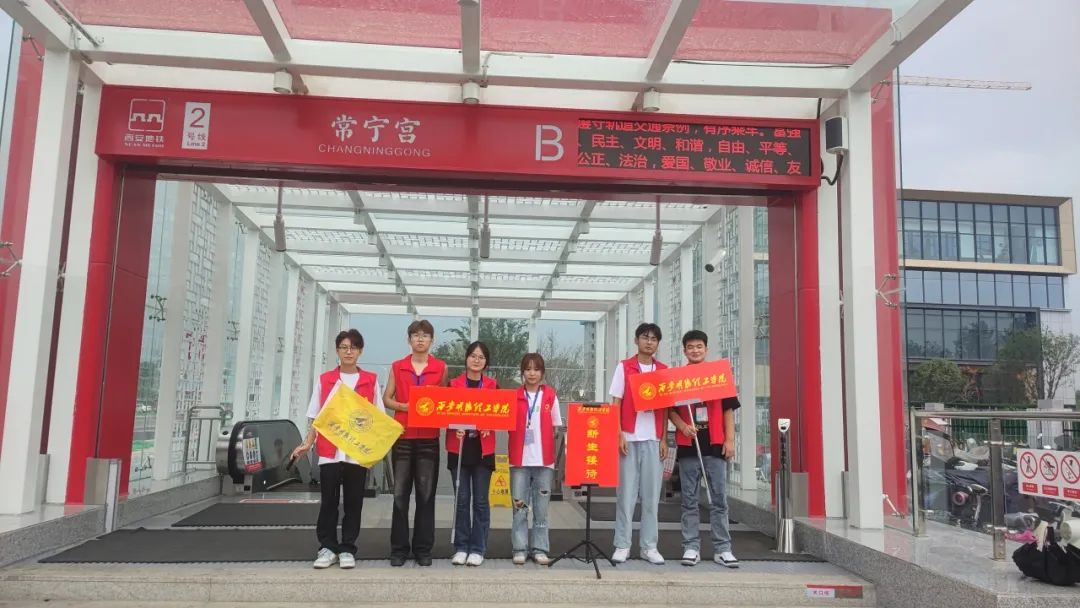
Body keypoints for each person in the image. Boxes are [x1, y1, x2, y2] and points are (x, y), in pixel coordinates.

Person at [291, 329, 381, 570]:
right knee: (328, 502)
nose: (348, 351)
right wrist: (307, 443)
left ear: (360, 351)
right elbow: (316, 417)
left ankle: (348, 548)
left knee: (354, 502)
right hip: (330, 451)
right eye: (344, 347)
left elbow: (377, 418)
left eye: (353, 347)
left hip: (356, 453)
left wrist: (374, 451)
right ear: (337, 351)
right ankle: (327, 547)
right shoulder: (325, 379)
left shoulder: (370, 380)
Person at [668, 330, 740, 568]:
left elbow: (728, 410)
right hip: (689, 446)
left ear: (706, 349)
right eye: (690, 347)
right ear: (684, 351)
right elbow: (670, 410)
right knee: (689, 499)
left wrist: (730, 440)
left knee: (719, 499)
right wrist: (682, 426)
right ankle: (691, 547)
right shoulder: (678, 378)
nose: (695, 350)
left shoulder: (719, 375)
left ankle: (723, 549)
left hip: (716, 445)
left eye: (699, 346)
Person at [382, 319, 448, 567]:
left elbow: (444, 400)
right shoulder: (397, 367)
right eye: (416, 335)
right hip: (402, 437)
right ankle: (399, 549)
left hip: (429, 439)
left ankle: (423, 549)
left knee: (426, 496)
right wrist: (405, 407)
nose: (420, 339)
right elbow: (386, 398)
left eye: (425, 335)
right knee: (400, 495)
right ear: (409, 339)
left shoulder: (440, 368)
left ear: (432, 340)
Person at [609, 322, 668, 565]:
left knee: (651, 497)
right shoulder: (625, 367)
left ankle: (649, 546)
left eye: (654, 339)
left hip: (653, 439)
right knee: (626, 496)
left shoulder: (663, 370)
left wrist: (664, 438)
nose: (649, 342)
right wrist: (619, 434)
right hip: (629, 438)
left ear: (657, 343)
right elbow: (616, 403)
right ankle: (622, 544)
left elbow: (666, 407)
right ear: (636, 340)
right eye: (645, 337)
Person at [508, 353, 563, 566]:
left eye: (536, 369)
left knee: (541, 509)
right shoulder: (514, 396)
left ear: (542, 372)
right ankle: (519, 549)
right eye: (528, 369)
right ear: (522, 372)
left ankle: (540, 548)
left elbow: (556, 425)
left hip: (544, 462)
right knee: (520, 508)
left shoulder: (550, 395)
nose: (532, 373)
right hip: (519, 462)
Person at [447, 341, 497, 567]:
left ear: (486, 362)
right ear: (466, 358)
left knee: (480, 501)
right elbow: (443, 412)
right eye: (473, 356)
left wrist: (490, 424)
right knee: (462, 499)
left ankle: (478, 548)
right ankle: (461, 546)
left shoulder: (492, 385)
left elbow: (501, 414)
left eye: (481, 357)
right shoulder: (453, 384)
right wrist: (452, 425)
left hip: (483, 450)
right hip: (458, 448)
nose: (477, 360)